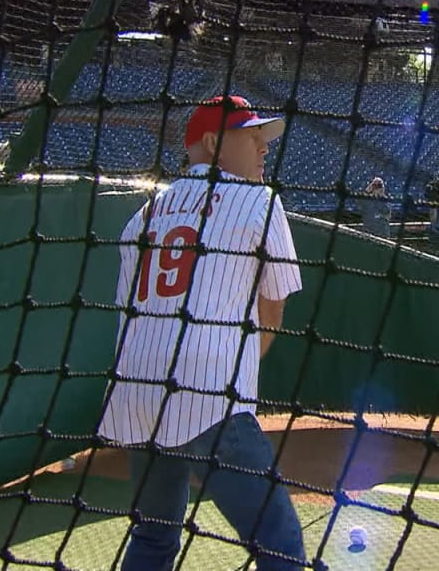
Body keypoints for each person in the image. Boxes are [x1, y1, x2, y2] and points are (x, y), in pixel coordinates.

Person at [97, 96, 306, 571]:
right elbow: (272, 312)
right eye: (252, 136)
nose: (263, 148)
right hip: (209, 393)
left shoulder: (141, 217)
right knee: (277, 538)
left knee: (153, 538)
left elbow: (129, 311)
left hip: (135, 393)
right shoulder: (260, 200)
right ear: (213, 143)